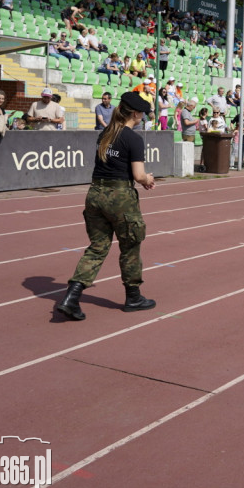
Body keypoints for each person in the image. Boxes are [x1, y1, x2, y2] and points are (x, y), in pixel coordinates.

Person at [55, 92, 158, 321]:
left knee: (97, 247)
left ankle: (71, 297)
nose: (143, 115)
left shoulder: (105, 133)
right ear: (135, 113)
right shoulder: (133, 138)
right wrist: (148, 180)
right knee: (130, 246)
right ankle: (133, 297)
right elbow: (138, 175)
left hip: (95, 194)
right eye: (142, 112)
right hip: (119, 195)